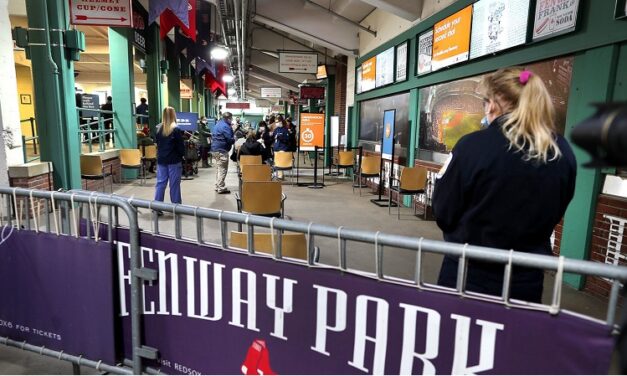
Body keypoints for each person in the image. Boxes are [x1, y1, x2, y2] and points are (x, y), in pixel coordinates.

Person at [432, 67, 577, 303]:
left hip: (467, 275)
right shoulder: (562, 152)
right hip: (525, 280)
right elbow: (558, 207)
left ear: (492, 105)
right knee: (513, 339)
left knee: (456, 338)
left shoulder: (472, 146)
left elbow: (443, 211)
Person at [154, 107, 185, 206]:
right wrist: (182, 156)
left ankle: (157, 206)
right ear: (173, 115)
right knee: (174, 184)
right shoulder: (176, 129)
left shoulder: (158, 129)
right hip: (174, 161)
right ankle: (176, 206)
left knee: (160, 184)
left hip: (161, 160)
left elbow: (158, 144)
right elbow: (180, 147)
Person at [211, 112, 235, 194]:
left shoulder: (218, 124)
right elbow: (229, 139)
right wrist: (234, 139)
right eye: (231, 118)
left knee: (219, 168)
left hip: (215, 150)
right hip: (221, 150)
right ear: (228, 118)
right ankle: (221, 187)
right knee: (223, 169)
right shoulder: (225, 126)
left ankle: (217, 185)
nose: (231, 120)